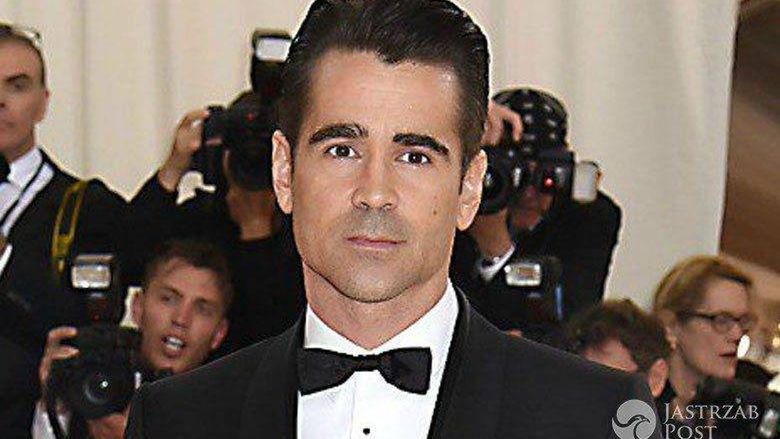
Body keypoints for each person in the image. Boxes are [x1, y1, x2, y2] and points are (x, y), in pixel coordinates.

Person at [125, 1, 660, 438]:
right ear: (284, 172)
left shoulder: (599, 417)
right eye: (341, 150)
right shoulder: (176, 420)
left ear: (469, 188)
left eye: (415, 157)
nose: (375, 193)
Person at [0, 23, 126, 439]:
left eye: (17, 85)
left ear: (43, 102)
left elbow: (81, 326)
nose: (0, 100)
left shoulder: (86, 206)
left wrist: (5, 257)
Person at [126, 91, 304, 353]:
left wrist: (257, 230)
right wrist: (173, 169)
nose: (253, 163)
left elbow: (277, 342)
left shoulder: (303, 233)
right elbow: (130, 261)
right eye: (244, 152)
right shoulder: (200, 219)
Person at [452, 87, 622, 334]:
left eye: (546, 178)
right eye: (516, 177)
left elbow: (569, 327)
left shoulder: (587, 217)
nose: (529, 193)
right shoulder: (458, 203)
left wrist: (498, 251)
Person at [33, 240, 231, 439]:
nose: (181, 319)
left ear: (219, 333)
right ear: (137, 307)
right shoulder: (94, 380)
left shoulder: (235, 417)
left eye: (202, 309)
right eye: (168, 299)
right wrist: (55, 408)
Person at [652, 256, 758, 416]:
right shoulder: (636, 408)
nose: (737, 335)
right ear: (671, 326)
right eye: (721, 320)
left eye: (743, 321)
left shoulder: (737, 415)